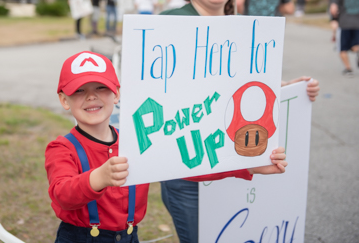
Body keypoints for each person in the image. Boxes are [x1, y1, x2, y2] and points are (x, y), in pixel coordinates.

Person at [160, 0, 320, 243]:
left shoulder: (242, 29)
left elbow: (244, 88)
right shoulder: (170, 25)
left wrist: (289, 90)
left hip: (233, 166)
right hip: (188, 174)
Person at [45, 50, 289, 243]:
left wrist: (249, 167)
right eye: (79, 91)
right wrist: (99, 177)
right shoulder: (61, 148)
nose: (91, 96)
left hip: (130, 237)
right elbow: (62, 195)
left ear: (117, 93)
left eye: (101, 88)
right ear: (64, 100)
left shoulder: (138, 141)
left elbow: (189, 166)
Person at [330, 0, 359, 77]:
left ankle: (348, 69)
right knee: (356, 45)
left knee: (342, 49)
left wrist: (334, 18)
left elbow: (333, 9)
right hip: (358, 23)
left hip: (345, 23)